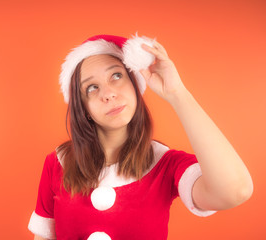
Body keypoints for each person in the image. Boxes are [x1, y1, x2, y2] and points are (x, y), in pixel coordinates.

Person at [28, 34, 253, 240]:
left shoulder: (167, 164)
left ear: (135, 83)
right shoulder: (58, 163)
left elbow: (235, 191)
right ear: (83, 108)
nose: (108, 93)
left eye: (116, 76)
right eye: (91, 88)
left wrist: (177, 93)